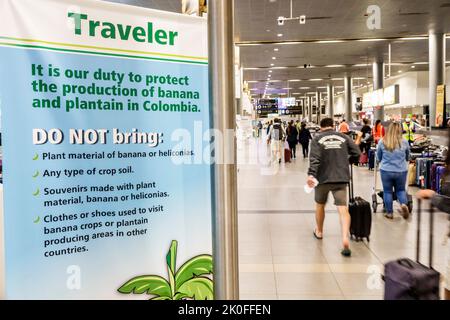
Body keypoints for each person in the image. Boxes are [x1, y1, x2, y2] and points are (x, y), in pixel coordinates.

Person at [307, 118, 362, 257]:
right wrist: (346, 158)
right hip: (340, 178)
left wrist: (311, 175)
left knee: (320, 205)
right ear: (333, 126)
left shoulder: (317, 139)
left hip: (322, 178)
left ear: (320, 127)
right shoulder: (344, 137)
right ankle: (344, 238)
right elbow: (357, 152)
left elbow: (314, 159)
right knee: (342, 209)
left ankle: (319, 231)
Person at [376, 122, 411, 220]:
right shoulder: (404, 141)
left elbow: (378, 157)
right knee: (400, 190)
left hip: (386, 170)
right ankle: (404, 204)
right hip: (401, 171)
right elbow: (408, 156)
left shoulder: (382, 141)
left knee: (387, 192)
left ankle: (390, 213)